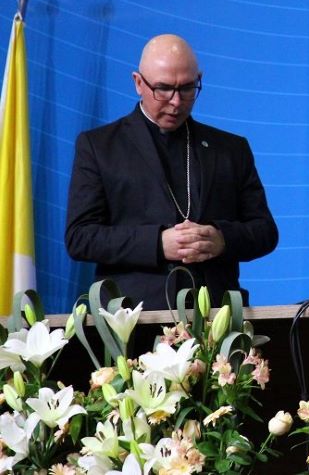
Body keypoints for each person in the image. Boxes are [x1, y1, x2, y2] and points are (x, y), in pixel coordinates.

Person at [65, 34, 278, 309]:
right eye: (164, 89)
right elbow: (80, 237)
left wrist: (221, 239)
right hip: (132, 318)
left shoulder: (231, 149)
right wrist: (156, 243)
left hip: (216, 318)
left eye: (188, 88)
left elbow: (264, 231)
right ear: (138, 83)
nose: (176, 102)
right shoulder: (99, 146)